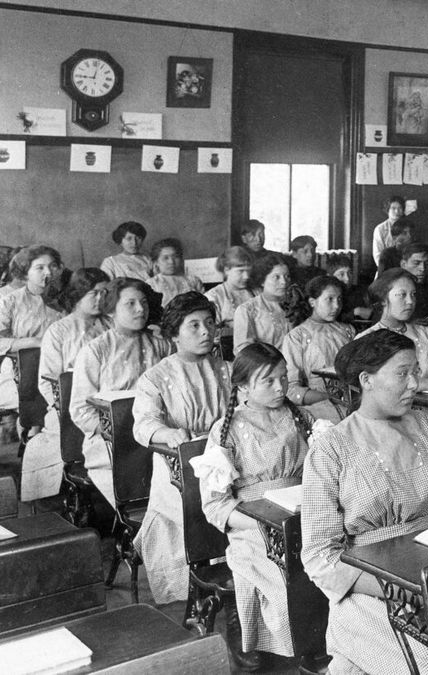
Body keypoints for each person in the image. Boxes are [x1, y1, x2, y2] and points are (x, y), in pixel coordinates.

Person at [302, 330, 428, 675]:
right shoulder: (332, 447)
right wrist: (398, 587)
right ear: (367, 380)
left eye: (416, 372)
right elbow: (320, 555)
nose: (414, 384)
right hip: (367, 587)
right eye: (402, 373)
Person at [191, 343, 326, 671]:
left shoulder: (300, 417)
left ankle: (320, 643)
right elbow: (216, 506)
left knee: (331, 563)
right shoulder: (228, 432)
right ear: (243, 387)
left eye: (283, 378)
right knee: (282, 578)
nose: (280, 388)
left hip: (305, 513)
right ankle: (260, 635)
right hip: (254, 525)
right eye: (268, 381)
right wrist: (267, 522)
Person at [133, 292, 230, 605]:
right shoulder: (156, 377)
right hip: (182, 466)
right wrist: (167, 432)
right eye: (194, 326)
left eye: (210, 323)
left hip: (227, 460)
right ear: (174, 334)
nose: (206, 331)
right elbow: (143, 424)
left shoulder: (226, 369)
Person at [70, 278, 173, 506]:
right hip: (111, 443)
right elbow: (80, 410)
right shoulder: (95, 351)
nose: (140, 309)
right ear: (111, 311)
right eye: (130, 304)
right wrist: (119, 430)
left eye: (144, 303)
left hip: (156, 437)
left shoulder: (161, 345)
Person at [21, 267, 109, 502]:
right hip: (69, 409)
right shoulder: (59, 331)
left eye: (104, 293)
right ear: (78, 294)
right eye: (94, 294)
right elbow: (47, 381)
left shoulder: (110, 326)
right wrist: (66, 409)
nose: (100, 299)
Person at [0, 246, 66, 417]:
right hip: (17, 378)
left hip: (56, 374)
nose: (48, 272)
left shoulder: (63, 303)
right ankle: (32, 433)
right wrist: (34, 342)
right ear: (25, 271)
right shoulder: (9, 302)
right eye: (40, 268)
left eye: (52, 266)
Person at [358, 269, 428, 392]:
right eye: (402, 295)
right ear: (383, 299)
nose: (410, 301)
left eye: (413, 294)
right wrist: (419, 384)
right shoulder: (367, 338)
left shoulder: (425, 333)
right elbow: (370, 384)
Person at [283, 276, 358, 422]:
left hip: (354, 402)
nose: (336, 306)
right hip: (318, 407)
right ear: (312, 302)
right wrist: (330, 398)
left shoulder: (348, 331)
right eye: (329, 299)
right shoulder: (297, 336)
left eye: (339, 299)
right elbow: (291, 389)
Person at [233, 253, 292, 353]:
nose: (284, 282)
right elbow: (243, 350)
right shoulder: (247, 310)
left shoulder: (294, 306)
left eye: (287, 276)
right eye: (276, 277)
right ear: (262, 281)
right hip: (265, 365)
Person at [205, 245, 256, 329]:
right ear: (226, 270)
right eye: (241, 271)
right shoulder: (213, 296)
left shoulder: (256, 292)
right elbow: (212, 331)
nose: (246, 276)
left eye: (248, 271)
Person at [148, 237, 204, 307]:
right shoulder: (152, 284)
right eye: (165, 258)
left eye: (175, 257)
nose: (171, 262)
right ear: (156, 262)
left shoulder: (193, 280)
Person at [397, 242, 428, 319]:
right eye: (416, 263)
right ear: (403, 264)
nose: (423, 268)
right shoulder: (393, 287)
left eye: (427, 263)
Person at [370, 196, 405, 269]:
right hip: (386, 269)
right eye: (393, 208)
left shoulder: (408, 227)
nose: (397, 211)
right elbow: (378, 256)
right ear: (387, 210)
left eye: (400, 208)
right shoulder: (380, 229)